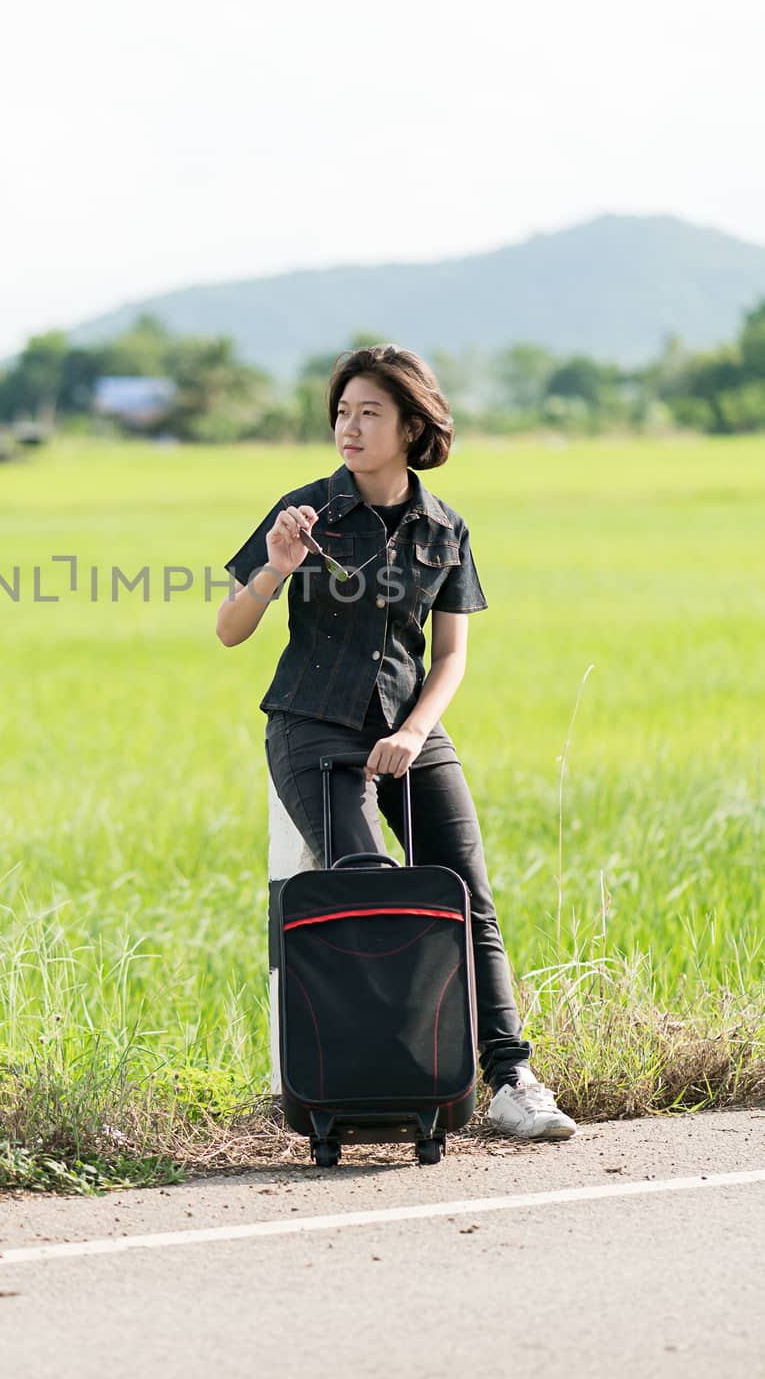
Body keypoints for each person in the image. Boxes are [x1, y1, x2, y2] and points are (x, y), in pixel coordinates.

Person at [215, 344, 576, 1141]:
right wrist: (274, 569)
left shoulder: (444, 526)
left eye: (368, 412)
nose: (348, 427)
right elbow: (229, 629)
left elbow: (448, 656)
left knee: (465, 896)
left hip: (410, 730)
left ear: (412, 426)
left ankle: (511, 1078)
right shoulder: (304, 513)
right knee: (363, 889)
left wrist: (414, 732)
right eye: (341, 412)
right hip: (312, 728)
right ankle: (368, 1080)